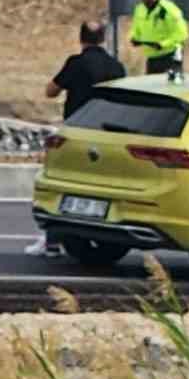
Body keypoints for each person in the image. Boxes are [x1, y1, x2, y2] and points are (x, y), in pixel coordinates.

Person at [26, 20, 126, 258]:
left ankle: (52, 242)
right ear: (103, 39)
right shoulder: (117, 67)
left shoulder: (76, 63)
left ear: (81, 39)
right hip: (108, 135)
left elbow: (50, 91)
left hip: (76, 134)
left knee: (64, 186)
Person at [129, 0, 189, 77]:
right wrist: (134, 38)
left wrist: (162, 44)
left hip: (170, 56)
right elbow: (135, 29)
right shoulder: (139, 9)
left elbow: (182, 34)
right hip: (151, 57)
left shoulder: (168, 9)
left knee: (169, 88)